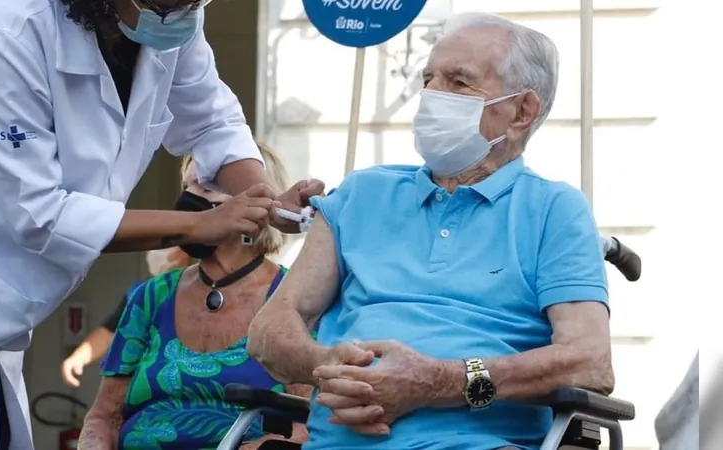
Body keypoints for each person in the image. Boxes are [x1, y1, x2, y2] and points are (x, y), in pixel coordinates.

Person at [0, 0, 325, 448]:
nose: (184, 13)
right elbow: (39, 215)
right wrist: (195, 227)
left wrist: (267, 195)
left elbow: (212, 120)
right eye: (169, 3)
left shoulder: (172, 16)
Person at [248, 12, 613, 450]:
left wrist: (439, 382)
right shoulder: (361, 194)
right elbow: (269, 331)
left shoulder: (554, 209)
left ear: (522, 111)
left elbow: (590, 362)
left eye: (459, 83)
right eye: (428, 79)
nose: (431, 95)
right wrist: (330, 365)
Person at [80, 145, 310, 449]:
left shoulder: (292, 296)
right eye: (187, 186)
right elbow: (104, 417)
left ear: (262, 205)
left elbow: (311, 420)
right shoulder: (152, 296)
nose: (188, 200)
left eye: (207, 187)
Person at [61, 247, 191, 388]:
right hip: (147, 389)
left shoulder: (207, 291)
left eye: (168, 244)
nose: (158, 252)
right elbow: (111, 331)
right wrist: (79, 358)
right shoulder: (142, 292)